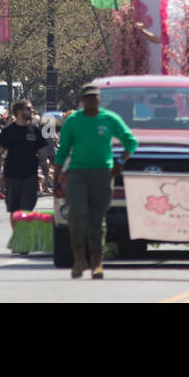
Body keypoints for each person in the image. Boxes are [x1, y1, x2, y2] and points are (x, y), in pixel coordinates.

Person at [53, 83, 139, 279]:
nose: (92, 100)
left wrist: (120, 162)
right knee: (76, 214)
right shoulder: (73, 121)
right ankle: (79, 259)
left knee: (96, 219)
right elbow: (63, 149)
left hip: (102, 173)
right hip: (77, 173)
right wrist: (56, 176)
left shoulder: (109, 119)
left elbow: (130, 141)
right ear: (82, 101)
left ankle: (97, 262)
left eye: (95, 97)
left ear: (99, 99)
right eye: (88, 98)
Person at [0, 99, 47, 213]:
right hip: (12, 176)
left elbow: (42, 153)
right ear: (19, 111)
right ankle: (17, 230)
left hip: (31, 176)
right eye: (28, 109)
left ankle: (23, 230)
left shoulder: (35, 130)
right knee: (15, 211)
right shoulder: (8, 131)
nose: (32, 111)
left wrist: (45, 173)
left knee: (27, 209)